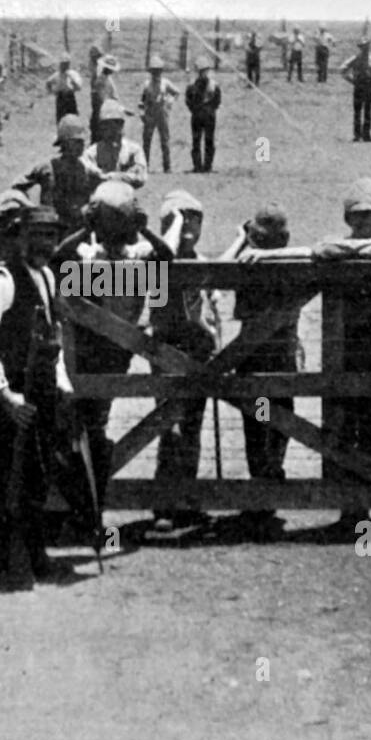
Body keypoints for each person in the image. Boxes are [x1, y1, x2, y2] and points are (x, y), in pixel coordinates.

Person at [241, 179, 371, 533]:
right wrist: (266, 255)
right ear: (349, 218)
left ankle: (364, 503)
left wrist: (361, 251)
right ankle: (348, 506)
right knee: (342, 423)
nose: (364, 223)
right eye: (358, 217)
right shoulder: (337, 246)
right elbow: (313, 252)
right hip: (343, 345)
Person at [0, 205, 77, 590]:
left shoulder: (46, 276)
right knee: (3, 481)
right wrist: (4, 395)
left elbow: (53, 339)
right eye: (36, 234)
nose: (44, 242)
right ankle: (3, 565)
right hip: (8, 398)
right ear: (17, 236)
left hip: (40, 395)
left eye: (51, 235)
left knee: (35, 478)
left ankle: (34, 555)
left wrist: (61, 385)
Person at [54, 182, 175, 515]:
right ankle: (86, 501)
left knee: (89, 423)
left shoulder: (98, 258)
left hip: (105, 349)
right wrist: (142, 228)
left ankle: (87, 503)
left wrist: (87, 227)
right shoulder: (118, 260)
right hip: (100, 348)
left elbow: (60, 256)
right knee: (88, 424)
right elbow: (59, 257)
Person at [223, 202, 302, 538]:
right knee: (264, 419)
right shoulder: (250, 263)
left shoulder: (277, 261)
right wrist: (245, 243)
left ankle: (268, 480)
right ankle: (265, 483)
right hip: (262, 351)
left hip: (270, 351)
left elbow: (314, 253)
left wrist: (246, 243)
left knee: (271, 418)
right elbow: (221, 272)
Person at [148, 190, 220, 531]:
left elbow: (209, 305)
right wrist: (173, 224)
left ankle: (186, 498)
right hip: (168, 351)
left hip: (198, 352)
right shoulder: (159, 261)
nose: (189, 224)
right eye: (180, 218)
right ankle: (164, 503)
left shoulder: (203, 261)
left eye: (195, 217)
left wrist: (215, 336)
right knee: (170, 426)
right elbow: (165, 262)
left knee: (192, 427)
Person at [11, 114, 101, 237]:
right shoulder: (46, 167)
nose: (81, 146)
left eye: (82, 142)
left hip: (77, 229)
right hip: (49, 227)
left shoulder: (87, 169)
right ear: (64, 143)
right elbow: (17, 186)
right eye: (76, 142)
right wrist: (31, 207)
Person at [81, 99, 148, 188]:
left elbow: (140, 176)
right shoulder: (92, 152)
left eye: (115, 125)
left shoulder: (134, 150)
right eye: (106, 126)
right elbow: (85, 171)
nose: (111, 131)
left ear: (121, 125)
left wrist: (113, 176)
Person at [139, 55, 180, 173]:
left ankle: (167, 167)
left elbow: (176, 92)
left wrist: (170, 100)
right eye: (154, 71)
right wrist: (142, 114)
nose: (156, 74)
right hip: (150, 114)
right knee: (147, 141)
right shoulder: (147, 84)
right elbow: (141, 101)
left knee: (165, 140)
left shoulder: (165, 83)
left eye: (158, 71)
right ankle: (144, 166)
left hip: (162, 114)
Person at [340, 38, 371, 142]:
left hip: (369, 86)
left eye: (366, 47)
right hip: (359, 85)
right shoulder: (355, 59)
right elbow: (342, 69)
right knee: (357, 111)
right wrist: (351, 80)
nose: (365, 49)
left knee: (368, 110)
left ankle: (367, 134)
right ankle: (357, 135)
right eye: (363, 47)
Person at [184, 55, 222, 173]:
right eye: (201, 71)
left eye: (205, 70)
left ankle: (208, 166)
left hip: (209, 115)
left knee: (209, 141)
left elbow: (217, 99)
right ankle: (197, 166)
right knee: (196, 141)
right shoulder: (192, 85)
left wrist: (210, 109)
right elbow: (188, 100)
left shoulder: (214, 85)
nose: (203, 73)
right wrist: (194, 110)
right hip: (196, 116)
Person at [44, 52, 83, 124]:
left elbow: (79, 87)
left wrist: (71, 79)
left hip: (70, 97)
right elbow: (48, 82)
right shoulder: (57, 75)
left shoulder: (73, 74)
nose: (63, 66)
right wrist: (51, 91)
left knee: (73, 118)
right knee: (61, 119)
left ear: (68, 64)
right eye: (62, 63)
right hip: (60, 98)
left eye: (65, 64)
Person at [89, 56, 121, 139]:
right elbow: (102, 99)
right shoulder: (100, 81)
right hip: (103, 111)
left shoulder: (108, 79)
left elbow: (114, 95)